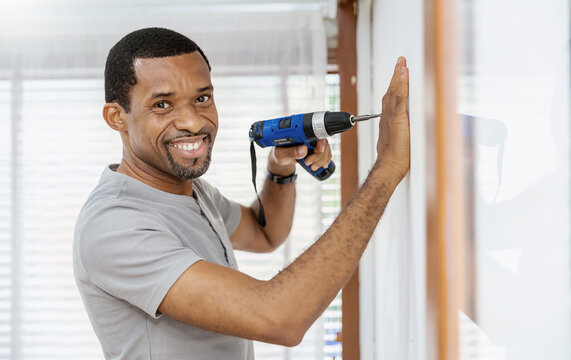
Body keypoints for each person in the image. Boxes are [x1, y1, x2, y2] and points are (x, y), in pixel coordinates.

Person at [73, 27, 410, 359]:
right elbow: (281, 318)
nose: (192, 121)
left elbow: (265, 233)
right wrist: (387, 171)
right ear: (117, 117)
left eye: (202, 98)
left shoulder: (191, 191)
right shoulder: (115, 225)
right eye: (163, 104)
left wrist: (281, 166)